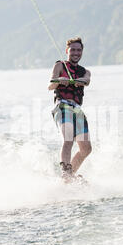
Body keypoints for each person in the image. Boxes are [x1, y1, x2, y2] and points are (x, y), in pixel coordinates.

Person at [48, 37, 92, 183]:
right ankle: (65, 173)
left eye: (78, 50)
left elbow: (86, 81)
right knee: (68, 139)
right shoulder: (60, 65)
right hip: (63, 106)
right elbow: (51, 85)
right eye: (72, 50)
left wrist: (77, 81)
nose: (76, 53)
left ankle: (70, 173)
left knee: (86, 149)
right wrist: (60, 80)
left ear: (82, 52)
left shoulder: (85, 71)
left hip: (77, 110)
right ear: (67, 51)